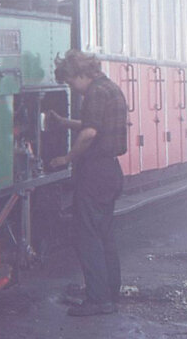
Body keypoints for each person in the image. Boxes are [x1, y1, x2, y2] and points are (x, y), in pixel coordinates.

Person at [44, 50, 128, 316]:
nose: (73, 89)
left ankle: (98, 300)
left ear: (81, 73)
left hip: (94, 172)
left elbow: (90, 132)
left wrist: (66, 158)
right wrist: (64, 122)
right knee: (104, 235)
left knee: (87, 237)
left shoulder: (94, 92)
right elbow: (93, 124)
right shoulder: (110, 88)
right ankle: (110, 294)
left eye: (71, 82)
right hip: (111, 171)